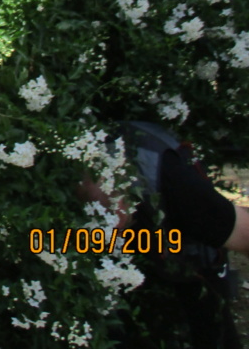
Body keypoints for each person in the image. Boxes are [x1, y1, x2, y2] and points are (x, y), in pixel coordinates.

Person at [79, 121, 249, 349]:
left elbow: (245, 233)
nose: (102, 226)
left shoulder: (171, 180)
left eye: (105, 210)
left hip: (192, 289)